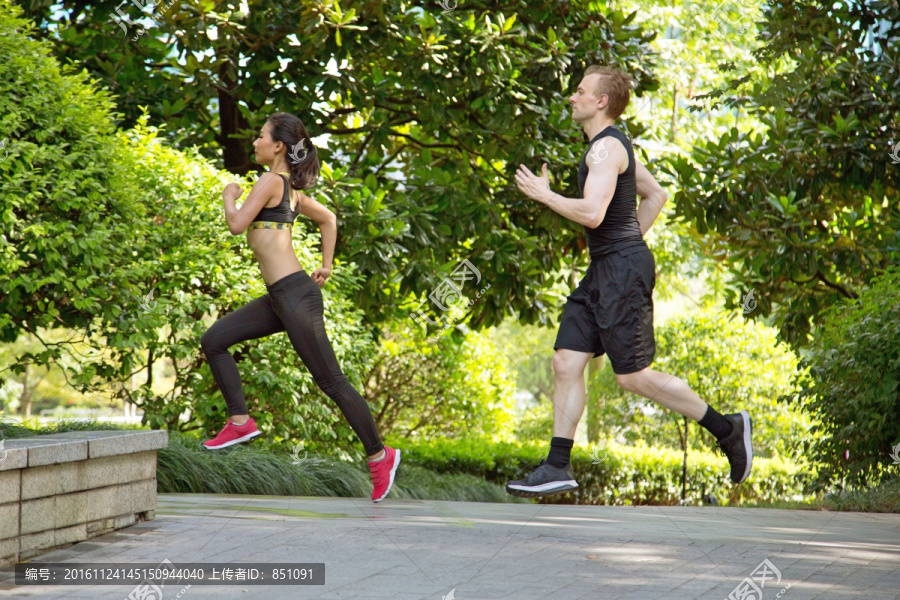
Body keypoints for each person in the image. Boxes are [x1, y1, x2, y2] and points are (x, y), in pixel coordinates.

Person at [507, 66, 752, 498]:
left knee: (632, 376)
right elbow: (656, 195)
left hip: (620, 270)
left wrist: (546, 196)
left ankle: (727, 428)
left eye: (580, 91)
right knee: (566, 360)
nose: (572, 97)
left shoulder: (604, 151)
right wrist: (626, 242)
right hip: (605, 268)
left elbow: (594, 213)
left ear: (601, 102)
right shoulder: (614, 149)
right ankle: (557, 464)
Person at [199, 112, 400, 503]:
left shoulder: (272, 181)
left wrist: (228, 196)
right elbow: (329, 219)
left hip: (294, 295)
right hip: (282, 297)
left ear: (277, 146)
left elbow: (237, 225)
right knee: (215, 340)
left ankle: (380, 455)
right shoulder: (290, 189)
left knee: (332, 382)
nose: (254, 142)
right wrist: (326, 264)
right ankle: (239, 420)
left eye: (260, 137)